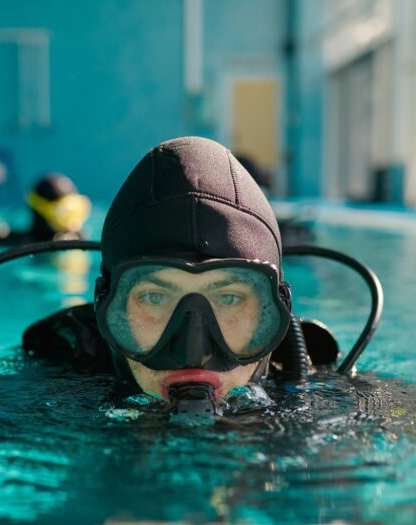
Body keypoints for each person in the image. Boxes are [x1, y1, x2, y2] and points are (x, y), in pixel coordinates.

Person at [20, 137, 339, 414]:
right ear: (107, 308)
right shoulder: (41, 395)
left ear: (275, 314)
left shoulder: (338, 406)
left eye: (229, 298)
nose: (194, 353)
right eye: (154, 297)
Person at [0, 172, 92, 247]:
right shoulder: (17, 241)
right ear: (44, 210)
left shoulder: (78, 238)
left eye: (77, 211)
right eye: (65, 212)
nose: (74, 222)